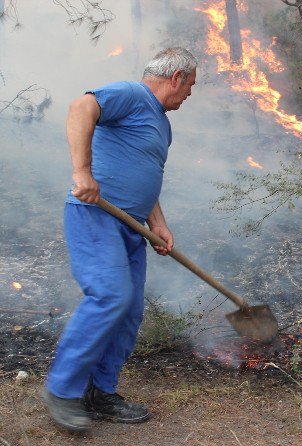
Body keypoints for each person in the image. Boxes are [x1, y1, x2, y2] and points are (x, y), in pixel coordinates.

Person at [41, 47, 197, 432]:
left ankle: (100, 392)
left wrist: (158, 222)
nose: (190, 94)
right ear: (175, 76)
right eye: (190, 85)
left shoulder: (162, 124)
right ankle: (63, 390)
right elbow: (81, 108)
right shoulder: (131, 93)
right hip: (96, 215)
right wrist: (82, 173)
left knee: (128, 311)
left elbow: (144, 174)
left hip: (132, 224)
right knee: (110, 294)